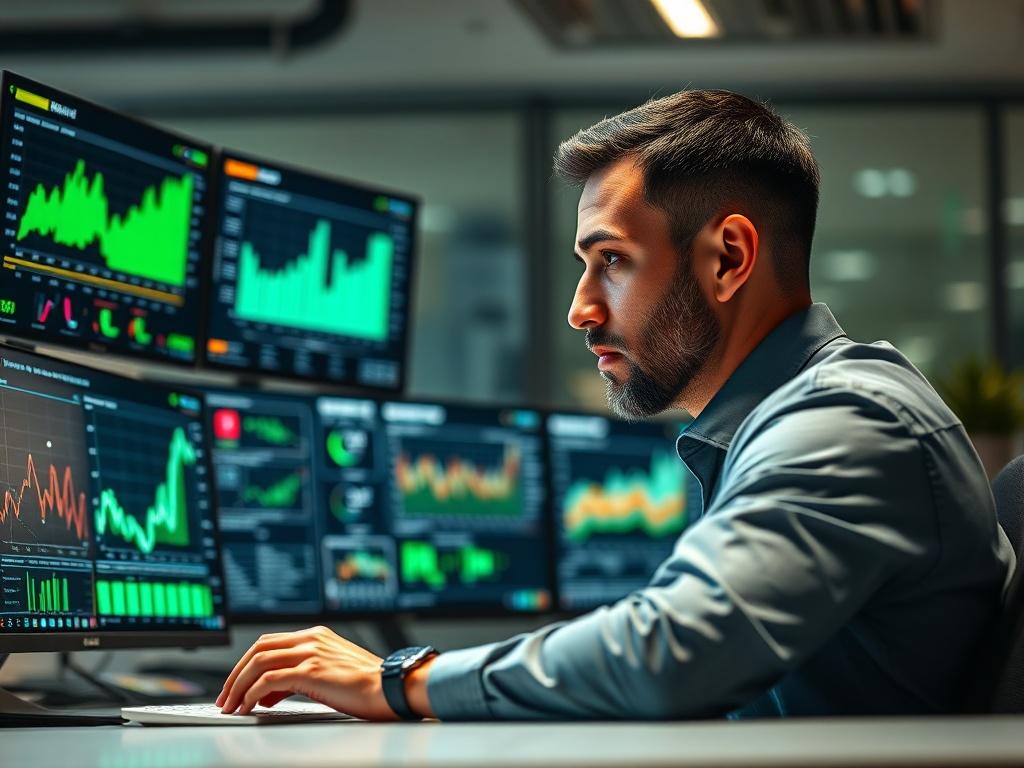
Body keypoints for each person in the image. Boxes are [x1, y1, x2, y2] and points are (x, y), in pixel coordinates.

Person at [216, 89, 1014, 721]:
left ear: (729, 258)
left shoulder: (848, 420)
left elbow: (669, 652)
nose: (580, 308)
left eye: (613, 262)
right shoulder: (786, 420)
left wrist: (400, 680)